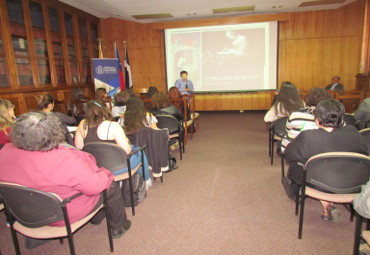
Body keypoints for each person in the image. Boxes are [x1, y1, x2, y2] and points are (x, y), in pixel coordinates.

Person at [0, 111, 131, 243]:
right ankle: (117, 226)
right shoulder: (64, 159)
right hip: (60, 213)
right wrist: (106, 174)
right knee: (109, 185)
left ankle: (98, 217)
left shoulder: (4, 151)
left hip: (21, 211)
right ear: (55, 132)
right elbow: (96, 187)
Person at [285, 99, 368, 221]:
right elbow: (364, 154)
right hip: (352, 182)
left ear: (317, 119)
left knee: (301, 168)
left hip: (318, 184)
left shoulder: (308, 136)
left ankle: (327, 204)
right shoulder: (353, 132)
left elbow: (289, 155)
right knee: (326, 172)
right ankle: (328, 205)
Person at [74, 100, 151, 187]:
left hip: (95, 166)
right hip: (116, 167)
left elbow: (79, 146)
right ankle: (147, 181)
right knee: (139, 152)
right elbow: (127, 150)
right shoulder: (113, 125)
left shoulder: (83, 124)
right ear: (105, 109)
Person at [281, 88, 331, 152]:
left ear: (308, 99)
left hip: (294, 150)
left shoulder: (296, 115)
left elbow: (287, 129)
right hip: (322, 151)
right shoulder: (333, 116)